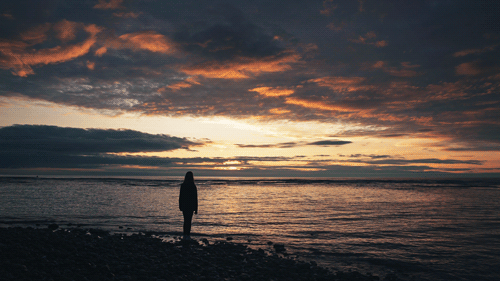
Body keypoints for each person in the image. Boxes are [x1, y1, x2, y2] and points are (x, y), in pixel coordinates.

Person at [179, 171, 198, 240]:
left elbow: (181, 197)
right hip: (190, 206)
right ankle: (187, 235)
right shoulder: (193, 186)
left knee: (185, 220)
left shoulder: (183, 185)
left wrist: (180, 206)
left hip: (184, 206)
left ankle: (185, 234)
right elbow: (195, 198)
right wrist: (196, 209)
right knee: (189, 221)